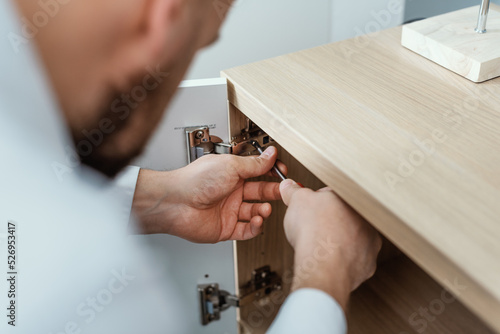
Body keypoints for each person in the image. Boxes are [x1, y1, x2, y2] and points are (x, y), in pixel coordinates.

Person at [1, 0, 381, 333]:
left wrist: (164, 200)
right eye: (198, 45)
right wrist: (328, 270)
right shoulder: (82, 285)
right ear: (162, 21)